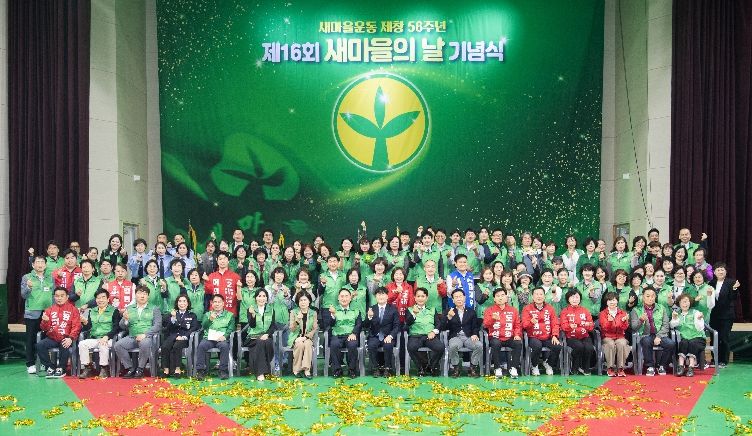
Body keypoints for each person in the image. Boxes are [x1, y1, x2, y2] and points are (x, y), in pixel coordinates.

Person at [114, 286, 162, 378]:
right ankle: (130, 368)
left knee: (144, 343)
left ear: (148, 296)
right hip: (132, 336)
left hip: (147, 337)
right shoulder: (129, 308)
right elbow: (122, 326)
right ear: (135, 295)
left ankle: (140, 369)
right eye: (140, 293)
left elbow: (158, 325)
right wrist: (126, 320)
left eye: (145, 294)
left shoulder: (154, 308)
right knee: (118, 345)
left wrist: (145, 334)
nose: (142, 296)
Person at [36, 287, 82, 378]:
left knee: (64, 343)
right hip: (52, 338)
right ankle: (50, 366)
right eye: (57, 296)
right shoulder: (49, 310)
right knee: (40, 345)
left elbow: (76, 326)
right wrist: (45, 321)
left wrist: (71, 338)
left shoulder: (73, 310)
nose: (59, 298)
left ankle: (61, 368)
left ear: (67, 297)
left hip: (66, 337)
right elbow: (44, 328)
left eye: (62, 296)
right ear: (54, 297)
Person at [630, 287, 675, 376]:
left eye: (652, 296)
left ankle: (662, 366)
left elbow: (666, 325)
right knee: (646, 341)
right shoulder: (636, 310)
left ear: (655, 297)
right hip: (645, 335)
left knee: (671, 344)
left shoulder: (661, 308)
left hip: (660, 335)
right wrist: (641, 320)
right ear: (643, 297)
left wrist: (658, 336)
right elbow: (634, 327)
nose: (650, 298)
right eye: (648, 296)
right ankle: (650, 366)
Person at [21, 255, 54, 374]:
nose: (40, 264)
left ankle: (44, 363)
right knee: (30, 339)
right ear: (33, 264)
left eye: (42, 262)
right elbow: (23, 295)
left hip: (47, 313)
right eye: (38, 262)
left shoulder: (50, 277)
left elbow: (53, 295)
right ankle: (30, 363)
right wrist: (28, 287)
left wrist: (53, 311)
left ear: (45, 265)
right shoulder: (27, 277)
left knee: (45, 339)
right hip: (32, 313)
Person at [78, 289, 120, 379]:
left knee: (103, 344)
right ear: (96, 300)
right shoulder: (92, 311)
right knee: (82, 344)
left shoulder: (114, 311)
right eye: (98, 298)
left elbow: (116, 328)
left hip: (108, 338)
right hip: (94, 338)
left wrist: (107, 336)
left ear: (108, 299)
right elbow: (88, 328)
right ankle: (87, 368)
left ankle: (104, 369)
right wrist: (84, 322)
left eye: (103, 297)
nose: (100, 300)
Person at [521, 287, 562, 376]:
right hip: (533, 336)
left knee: (557, 346)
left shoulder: (550, 308)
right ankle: (534, 365)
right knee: (537, 346)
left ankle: (548, 364)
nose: (539, 296)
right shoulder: (527, 308)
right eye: (536, 294)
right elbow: (524, 325)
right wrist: (531, 322)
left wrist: (555, 335)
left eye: (541, 294)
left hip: (548, 336)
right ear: (532, 296)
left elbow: (555, 323)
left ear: (544, 296)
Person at [194, 294, 235, 380]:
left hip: (222, 339)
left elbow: (231, 328)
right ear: (212, 303)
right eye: (215, 302)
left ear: (223, 303)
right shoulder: (207, 314)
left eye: (219, 302)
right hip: (209, 338)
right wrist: (210, 319)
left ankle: (223, 371)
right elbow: (204, 326)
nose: (217, 304)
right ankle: (200, 371)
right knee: (201, 346)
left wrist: (225, 336)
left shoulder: (230, 315)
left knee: (224, 346)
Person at [324, 288, 363, 378]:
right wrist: (333, 315)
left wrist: (354, 333)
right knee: (334, 344)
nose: (344, 299)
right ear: (338, 298)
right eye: (342, 296)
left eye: (346, 296)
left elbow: (359, 324)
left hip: (351, 335)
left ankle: (352, 370)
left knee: (353, 344)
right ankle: (337, 370)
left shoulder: (356, 310)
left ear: (350, 298)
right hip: (337, 335)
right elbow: (329, 324)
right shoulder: (333, 309)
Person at [443, 289, 482, 377]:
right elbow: (443, 327)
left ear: (464, 298)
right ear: (453, 300)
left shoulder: (471, 311)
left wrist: (475, 334)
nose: (458, 299)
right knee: (453, 346)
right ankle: (456, 368)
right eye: (456, 297)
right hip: (455, 336)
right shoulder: (449, 311)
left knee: (479, 345)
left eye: (460, 296)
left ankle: (472, 367)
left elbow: (475, 326)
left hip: (468, 337)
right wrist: (448, 317)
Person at [483, 288, 522, 378]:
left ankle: (513, 368)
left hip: (509, 337)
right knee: (495, 343)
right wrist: (493, 319)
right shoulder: (489, 310)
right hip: (495, 337)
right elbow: (485, 325)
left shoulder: (513, 310)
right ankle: (497, 368)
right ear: (494, 299)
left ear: (506, 297)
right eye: (498, 296)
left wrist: (517, 335)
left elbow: (517, 325)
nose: (500, 298)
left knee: (518, 343)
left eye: (502, 295)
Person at [406, 287, 444, 376]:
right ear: (415, 298)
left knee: (440, 347)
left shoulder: (432, 309)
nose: (420, 298)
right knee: (411, 347)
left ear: (426, 298)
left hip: (429, 335)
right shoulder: (410, 309)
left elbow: (438, 324)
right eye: (418, 296)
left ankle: (431, 366)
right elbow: (407, 324)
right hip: (415, 336)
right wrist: (414, 314)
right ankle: (421, 368)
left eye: (423, 296)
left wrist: (434, 332)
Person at [709, 263, 741, 367]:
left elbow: (734, 298)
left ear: (726, 271)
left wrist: (734, 289)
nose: (720, 272)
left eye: (722, 270)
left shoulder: (731, 282)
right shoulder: (711, 283)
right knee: (714, 337)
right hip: (714, 315)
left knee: (724, 338)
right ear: (714, 272)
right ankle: (714, 359)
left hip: (727, 315)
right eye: (718, 270)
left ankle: (724, 360)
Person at [160, 295, 200, 378]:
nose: (182, 303)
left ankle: (177, 369)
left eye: (184, 301)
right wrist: (173, 318)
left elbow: (193, 328)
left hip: (184, 338)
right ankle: (166, 370)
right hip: (172, 336)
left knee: (177, 346)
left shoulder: (192, 315)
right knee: (164, 347)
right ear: (177, 303)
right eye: (180, 301)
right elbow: (167, 327)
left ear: (188, 303)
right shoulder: (172, 314)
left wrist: (184, 337)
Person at [364, 287, 400, 377]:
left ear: (387, 296)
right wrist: (369, 317)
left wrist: (390, 336)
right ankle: (375, 368)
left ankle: (387, 368)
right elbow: (365, 325)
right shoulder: (371, 309)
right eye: (379, 294)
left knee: (388, 345)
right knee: (371, 345)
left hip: (388, 336)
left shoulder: (393, 309)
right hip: (375, 335)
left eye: (383, 294)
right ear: (375, 297)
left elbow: (397, 326)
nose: (381, 296)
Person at [244, 289, 277, 381]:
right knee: (260, 342)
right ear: (256, 298)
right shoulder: (251, 309)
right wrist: (253, 315)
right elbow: (252, 325)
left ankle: (262, 370)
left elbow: (273, 326)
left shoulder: (271, 310)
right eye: (259, 296)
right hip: (253, 337)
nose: (261, 298)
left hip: (266, 336)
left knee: (266, 342)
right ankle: (261, 372)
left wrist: (267, 334)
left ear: (267, 299)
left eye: (264, 296)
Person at [669, 294, 706, 377]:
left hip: (698, 337)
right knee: (683, 343)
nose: (685, 304)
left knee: (693, 343)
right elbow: (671, 325)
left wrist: (699, 319)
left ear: (690, 303)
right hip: (685, 337)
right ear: (679, 303)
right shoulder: (677, 313)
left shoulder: (696, 312)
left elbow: (700, 328)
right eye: (683, 302)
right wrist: (674, 318)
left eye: (687, 301)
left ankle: (691, 367)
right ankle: (680, 366)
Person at [560, 290, 595, 375]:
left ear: (580, 299)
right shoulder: (565, 311)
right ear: (568, 299)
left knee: (589, 348)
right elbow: (564, 326)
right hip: (571, 337)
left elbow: (591, 326)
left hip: (584, 336)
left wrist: (586, 325)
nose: (575, 299)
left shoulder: (585, 310)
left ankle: (585, 367)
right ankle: (575, 366)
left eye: (577, 297)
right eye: (572, 297)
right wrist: (570, 326)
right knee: (579, 346)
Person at [599, 292, 630, 377]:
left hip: (620, 336)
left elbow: (625, 328)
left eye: (614, 300)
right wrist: (610, 322)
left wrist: (624, 321)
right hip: (607, 336)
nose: (612, 302)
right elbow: (605, 328)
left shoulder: (623, 313)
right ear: (606, 302)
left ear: (617, 301)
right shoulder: (602, 313)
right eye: (610, 300)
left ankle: (620, 368)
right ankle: (610, 368)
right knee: (610, 344)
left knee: (622, 343)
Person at [288, 292, 318, 379]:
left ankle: (306, 370)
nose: (303, 302)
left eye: (305, 300)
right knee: (300, 344)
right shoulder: (293, 312)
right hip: (296, 337)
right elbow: (292, 329)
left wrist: (305, 337)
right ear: (298, 302)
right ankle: (296, 369)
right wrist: (297, 320)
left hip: (308, 337)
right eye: (301, 300)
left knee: (307, 344)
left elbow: (314, 328)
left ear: (309, 301)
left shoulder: (313, 313)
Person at [204, 251, 242, 316]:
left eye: (224, 259)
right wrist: (207, 281)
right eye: (220, 259)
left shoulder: (236, 276)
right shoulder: (211, 276)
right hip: (214, 312)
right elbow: (208, 292)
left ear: (228, 261)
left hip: (230, 312)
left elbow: (239, 296)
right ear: (217, 260)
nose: (222, 261)